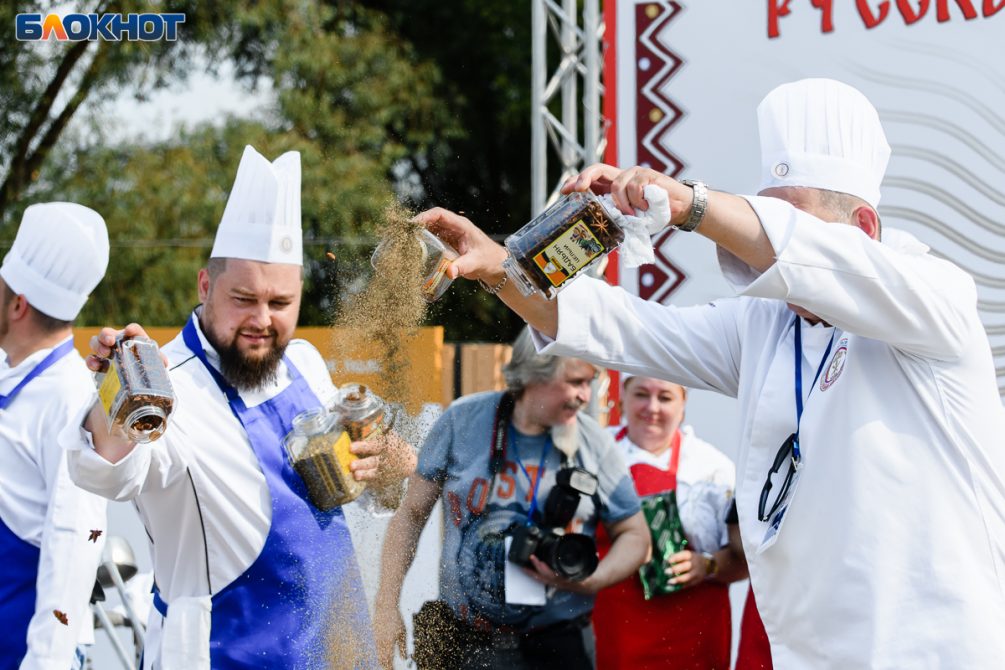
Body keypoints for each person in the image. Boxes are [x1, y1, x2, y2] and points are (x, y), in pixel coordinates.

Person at [413, 78, 1005, 667]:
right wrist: (501, 269)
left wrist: (689, 205)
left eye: (790, 217)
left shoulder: (935, 298)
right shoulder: (767, 326)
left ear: (864, 230)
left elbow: (802, 254)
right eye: (766, 212)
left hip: (934, 650)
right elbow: (625, 328)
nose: (767, 239)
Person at [64, 146, 416, 669]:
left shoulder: (304, 363)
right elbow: (106, 471)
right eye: (243, 299)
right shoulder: (169, 387)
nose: (262, 320)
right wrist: (115, 400)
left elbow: (356, 492)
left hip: (335, 652)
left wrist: (387, 468)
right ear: (206, 285)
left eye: (280, 303)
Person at [374, 329, 650, 670]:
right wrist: (386, 604)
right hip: (463, 644)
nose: (585, 396)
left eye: (589, 383)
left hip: (557, 647)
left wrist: (592, 579)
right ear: (536, 373)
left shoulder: (594, 442)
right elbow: (411, 514)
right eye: (576, 382)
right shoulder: (462, 421)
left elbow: (636, 536)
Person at [0, 203, 109, 669]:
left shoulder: (68, 396)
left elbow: (74, 541)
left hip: (25, 650)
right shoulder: (12, 372)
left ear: (18, 304)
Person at [593, 375, 745, 670]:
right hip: (611, 631)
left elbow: (744, 563)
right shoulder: (594, 453)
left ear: (683, 404)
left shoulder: (712, 469)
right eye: (641, 394)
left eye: (665, 397)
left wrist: (707, 565)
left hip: (690, 637)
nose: (652, 408)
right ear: (622, 397)